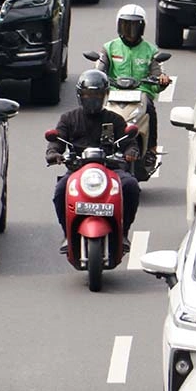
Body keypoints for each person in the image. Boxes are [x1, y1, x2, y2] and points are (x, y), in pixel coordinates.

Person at [46, 70, 140, 254]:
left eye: (97, 95)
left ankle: (123, 233)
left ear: (105, 96)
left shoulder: (115, 120)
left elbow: (130, 143)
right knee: (60, 191)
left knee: (130, 186)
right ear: (80, 96)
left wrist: (131, 152)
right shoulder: (68, 118)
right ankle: (67, 234)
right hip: (77, 170)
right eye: (89, 95)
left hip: (110, 169)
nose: (93, 99)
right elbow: (56, 142)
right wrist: (53, 154)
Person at [94, 4, 171, 172]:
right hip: (113, 94)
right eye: (125, 25)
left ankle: (151, 150)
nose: (130, 30)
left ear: (142, 27)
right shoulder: (109, 48)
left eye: (134, 26)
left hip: (141, 94)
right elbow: (99, 71)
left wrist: (162, 81)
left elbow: (158, 75)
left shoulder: (151, 51)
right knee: (95, 111)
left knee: (150, 109)